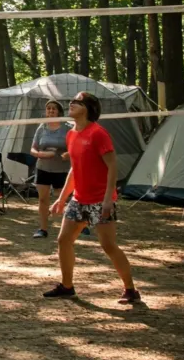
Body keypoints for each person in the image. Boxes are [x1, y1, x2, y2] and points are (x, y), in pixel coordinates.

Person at [45, 91, 140, 304]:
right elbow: (74, 170)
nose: (71, 103)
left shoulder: (98, 134)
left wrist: (108, 199)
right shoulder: (70, 134)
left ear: (87, 108)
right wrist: (62, 199)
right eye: (71, 100)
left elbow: (113, 166)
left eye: (76, 101)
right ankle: (67, 286)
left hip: (99, 199)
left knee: (108, 246)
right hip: (79, 199)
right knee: (63, 240)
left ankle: (131, 290)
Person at [29, 100, 70, 238]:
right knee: (42, 199)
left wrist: (67, 154)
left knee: (62, 198)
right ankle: (43, 229)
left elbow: (74, 147)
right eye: (48, 109)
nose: (51, 111)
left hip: (61, 168)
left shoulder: (67, 128)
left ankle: (74, 225)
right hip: (43, 167)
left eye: (54, 109)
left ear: (59, 111)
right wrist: (38, 154)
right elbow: (33, 147)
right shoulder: (41, 128)